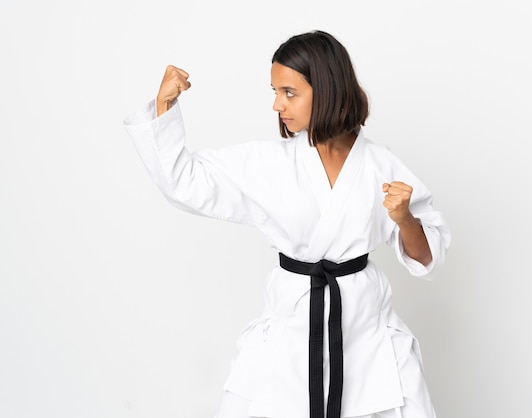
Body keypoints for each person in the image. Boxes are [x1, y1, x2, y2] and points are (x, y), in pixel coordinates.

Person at [123, 30, 451, 418]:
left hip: (366, 337)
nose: (278, 104)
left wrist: (404, 218)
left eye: (289, 92)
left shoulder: (380, 165)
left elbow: (428, 259)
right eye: (275, 92)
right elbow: (186, 182)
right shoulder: (269, 164)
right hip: (291, 333)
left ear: (326, 90)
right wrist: (164, 106)